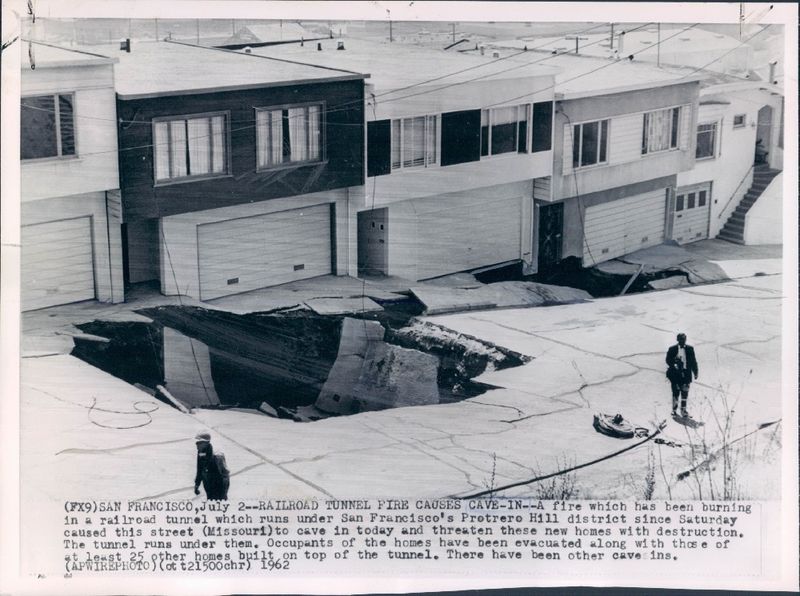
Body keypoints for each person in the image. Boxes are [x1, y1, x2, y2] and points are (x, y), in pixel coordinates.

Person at [665, 333, 699, 417]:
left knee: (685, 393)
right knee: (675, 392)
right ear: (677, 340)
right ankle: (674, 410)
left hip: (686, 374)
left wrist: (696, 372)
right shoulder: (672, 349)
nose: (683, 341)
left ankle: (684, 411)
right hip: (675, 375)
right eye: (681, 339)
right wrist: (674, 363)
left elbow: (693, 361)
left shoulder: (690, 349)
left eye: (684, 339)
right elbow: (667, 360)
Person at [194, 431, 230, 500]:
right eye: (197, 443)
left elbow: (223, 476)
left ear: (206, 443)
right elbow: (199, 468)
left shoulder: (217, 457)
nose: (197, 444)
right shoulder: (201, 452)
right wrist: (197, 484)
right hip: (208, 482)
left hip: (219, 484)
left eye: (199, 443)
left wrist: (222, 493)